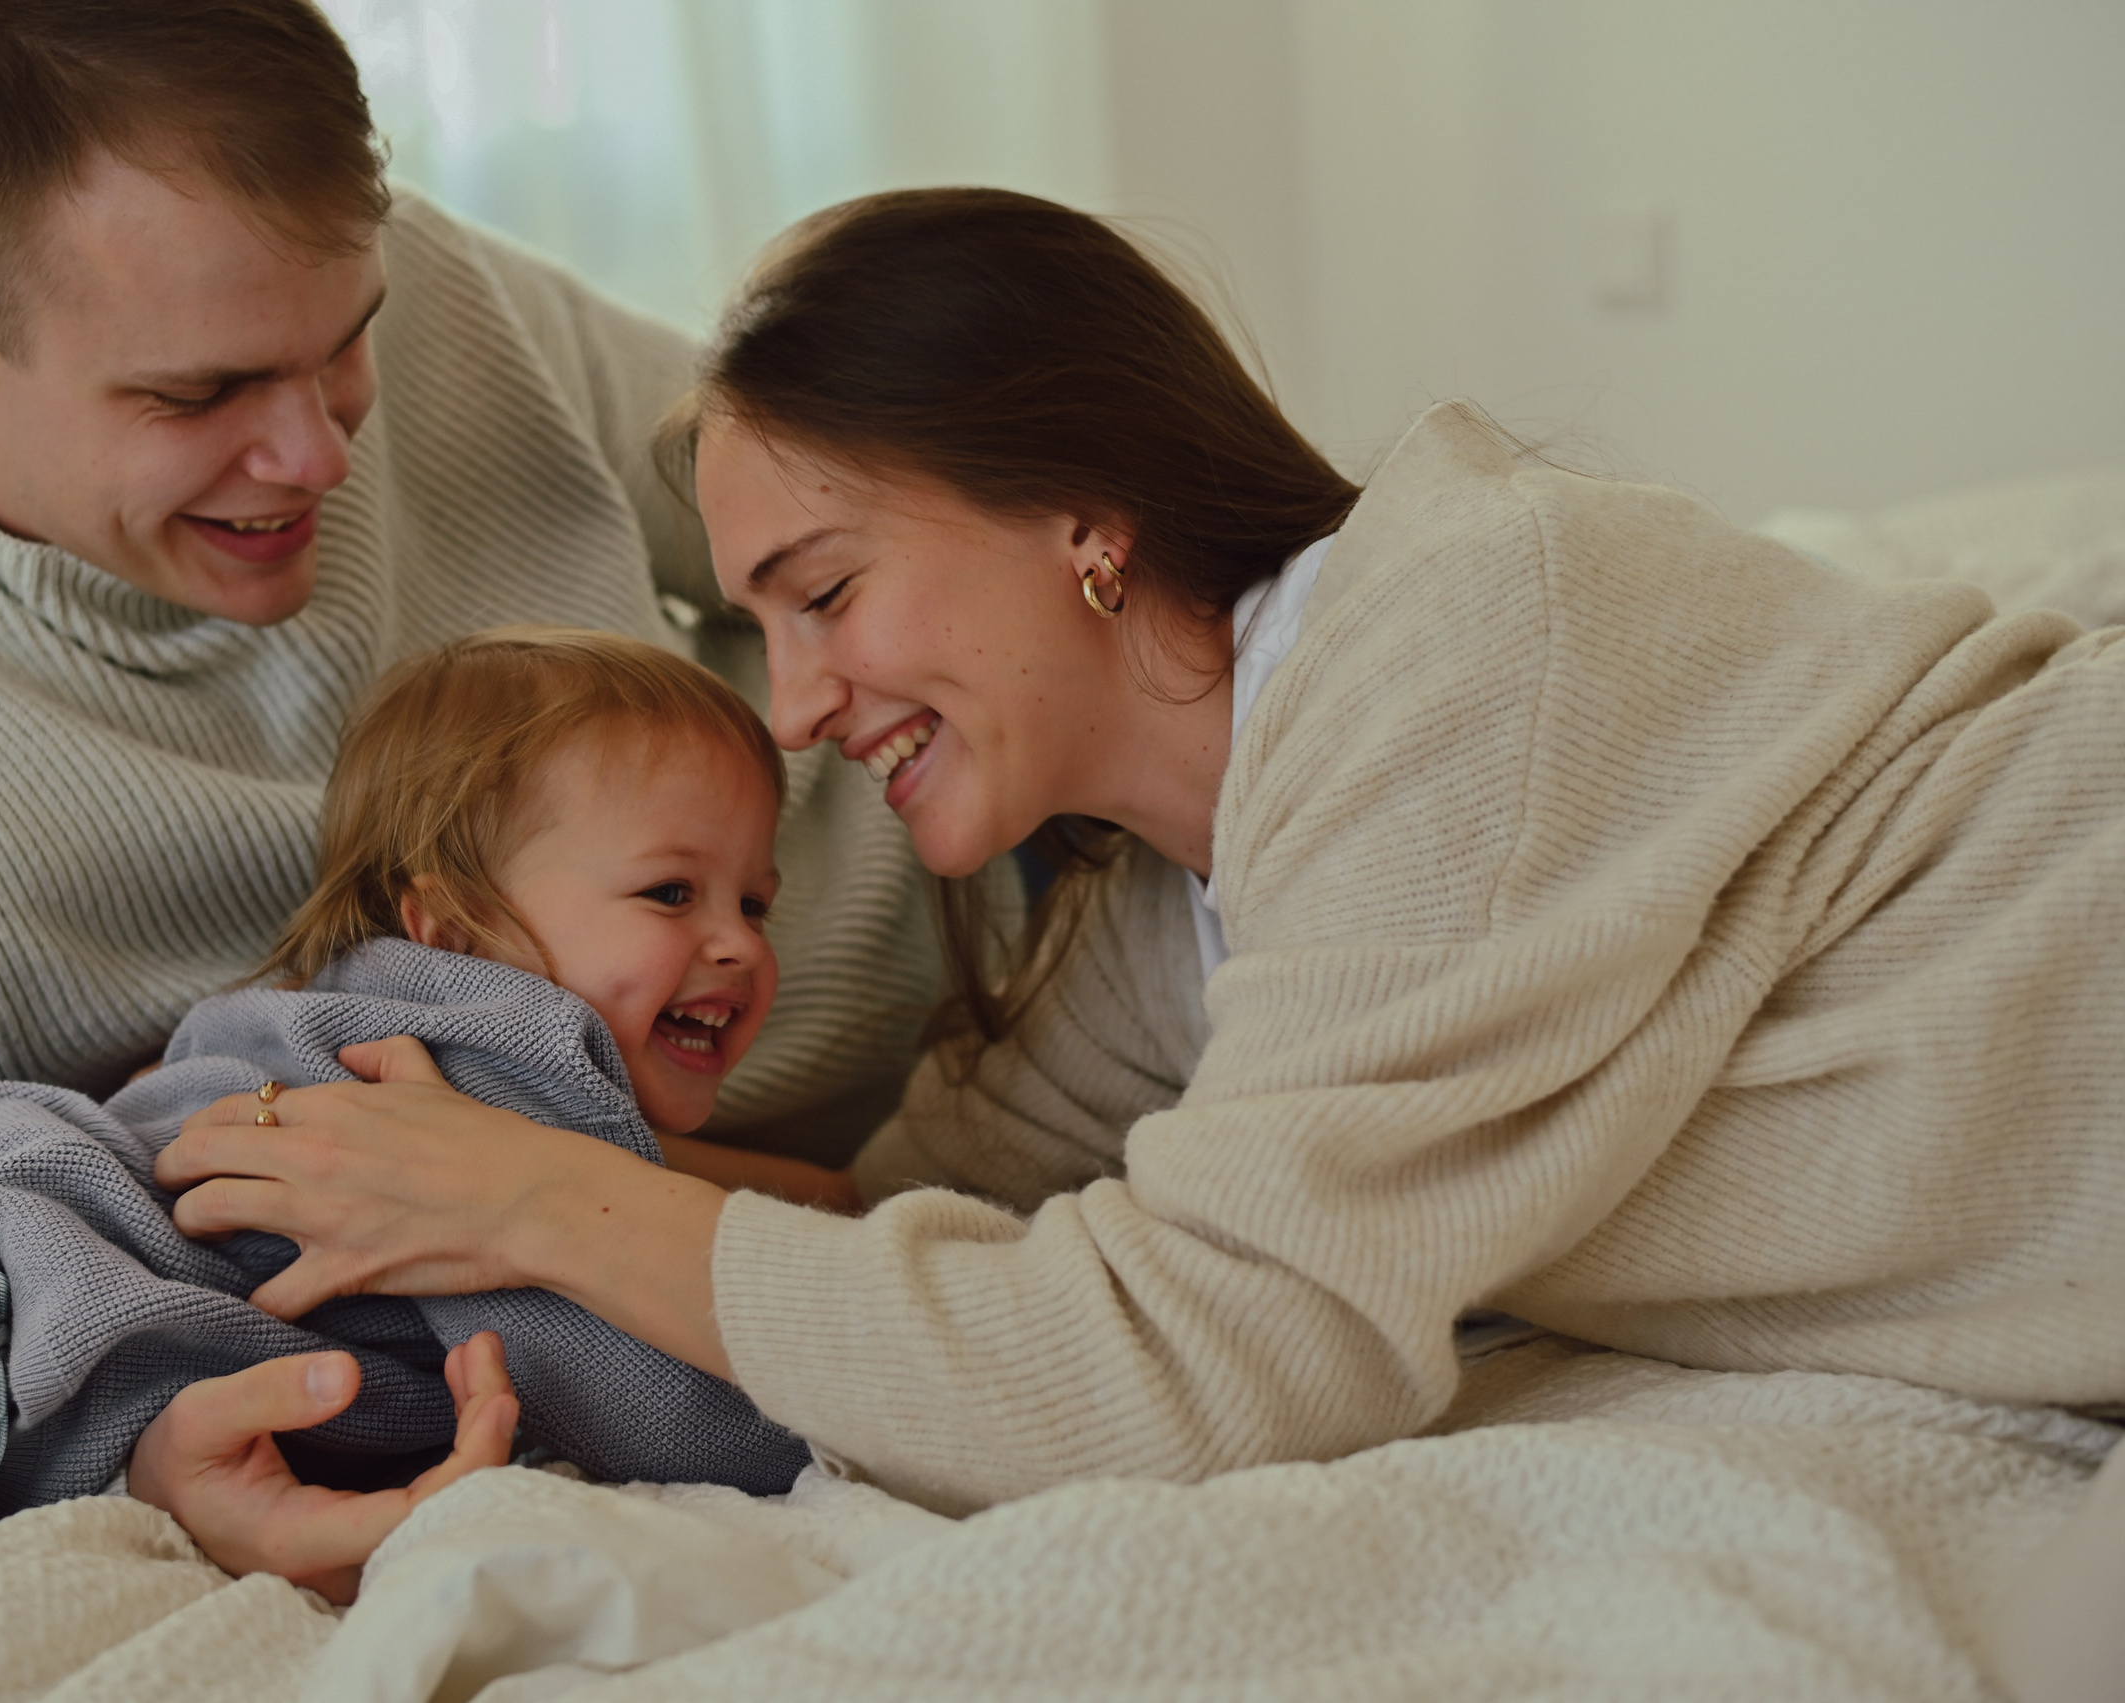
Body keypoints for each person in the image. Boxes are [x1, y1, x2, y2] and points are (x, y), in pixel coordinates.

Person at [145, 186, 2125, 1555]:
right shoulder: (1157, 917)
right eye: (766, 627)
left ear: (1078, 513)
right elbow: (908, 1234)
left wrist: (557, 1199)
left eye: (824, 593)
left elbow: (1193, 1359)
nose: (806, 708)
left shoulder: (1457, 639)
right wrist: (436, 1153)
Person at [0, 0, 936, 1186]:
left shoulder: (404, 280)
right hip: (848, 1185)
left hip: (1002, 861)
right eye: (200, 393)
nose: (320, 453)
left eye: (348, 339)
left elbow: (867, 517)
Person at [0, 627, 822, 1697]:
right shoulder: (509, 1066)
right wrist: (829, 1411)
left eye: (754, 902)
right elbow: (660, 1398)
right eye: (671, 893)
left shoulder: (316, 1018)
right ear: (459, 926)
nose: (734, 946)